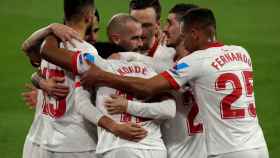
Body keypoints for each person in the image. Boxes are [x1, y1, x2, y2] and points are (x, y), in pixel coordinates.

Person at [80, 8, 269, 158]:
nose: (184, 42)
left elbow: (148, 87)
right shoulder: (241, 53)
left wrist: (103, 76)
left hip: (227, 150)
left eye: (185, 35)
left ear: (195, 33)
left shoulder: (195, 61)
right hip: (257, 144)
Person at [21, 1, 147, 158]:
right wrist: (114, 126)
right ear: (89, 16)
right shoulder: (86, 52)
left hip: (38, 140)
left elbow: (27, 47)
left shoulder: (51, 43)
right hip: (76, 144)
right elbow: (86, 103)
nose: (94, 36)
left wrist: (50, 29)